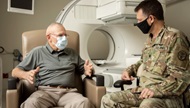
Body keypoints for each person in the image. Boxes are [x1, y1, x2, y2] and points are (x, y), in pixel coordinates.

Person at [101, 0, 190, 108]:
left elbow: (181, 78)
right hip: (143, 92)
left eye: (140, 20)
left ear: (151, 19)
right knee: (108, 99)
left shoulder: (175, 37)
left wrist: (154, 90)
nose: (138, 24)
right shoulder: (149, 40)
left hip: (167, 97)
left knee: (147, 105)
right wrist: (129, 71)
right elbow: (143, 62)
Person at [12, 22, 95, 108]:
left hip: (68, 93)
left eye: (65, 35)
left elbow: (85, 69)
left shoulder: (72, 53)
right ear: (49, 37)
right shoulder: (37, 52)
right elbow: (15, 71)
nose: (64, 38)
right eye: (60, 35)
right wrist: (25, 74)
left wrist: (88, 70)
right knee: (30, 104)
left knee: (84, 102)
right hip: (45, 92)